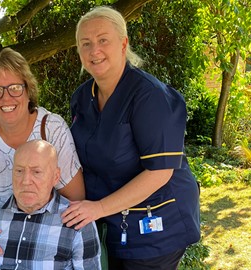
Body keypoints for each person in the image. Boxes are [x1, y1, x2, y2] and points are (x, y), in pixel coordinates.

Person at [61, 6, 201, 270]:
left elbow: (160, 173)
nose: (94, 51)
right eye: (85, 43)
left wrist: (99, 208)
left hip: (158, 224)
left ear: (123, 43)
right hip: (114, 221)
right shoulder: (82, 97)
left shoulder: (149, 96)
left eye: (103, 40)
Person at [0, 47, 85, 264]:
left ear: (28, 90)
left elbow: (75, 199)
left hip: (43, 247)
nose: (6, 98)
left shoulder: (52, 128)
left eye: (15, 88)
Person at [0, 139, 101, 269]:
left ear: (55, 177)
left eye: (36, 172)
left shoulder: (77, 221)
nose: (25, 180)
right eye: (19, 171)